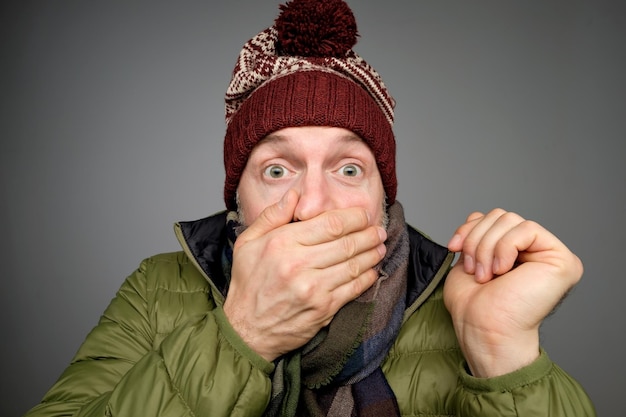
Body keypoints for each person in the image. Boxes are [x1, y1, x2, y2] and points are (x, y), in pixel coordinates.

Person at [24, 0, 596, 416]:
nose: (316, 204)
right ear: (237, 198)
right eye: (277, 169)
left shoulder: (461, 295)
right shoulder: (156, 288)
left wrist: (500, 353)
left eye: (349, 169)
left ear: (383, 193)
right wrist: (241, 334)